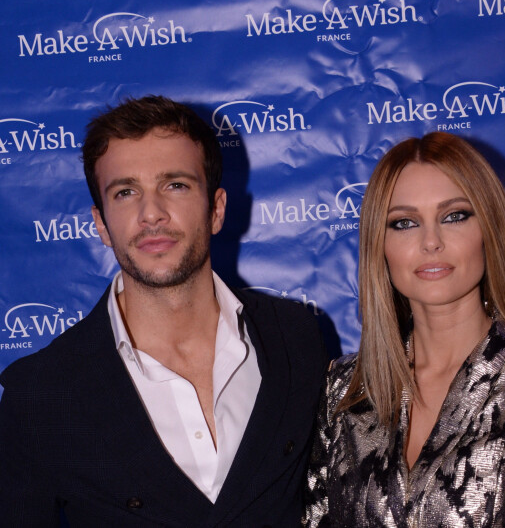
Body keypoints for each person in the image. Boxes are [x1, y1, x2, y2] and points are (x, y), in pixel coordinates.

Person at [0, 95, 327, 527]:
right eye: (125, 192)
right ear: (100, 224)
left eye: (175, 185)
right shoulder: (41, 393)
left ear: (216, 209)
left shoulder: (295, 338)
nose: (150, 213)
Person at [303, 132, 505, 527]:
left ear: (490, 228)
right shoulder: (344, 390)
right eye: (404, 223)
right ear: (379, 244)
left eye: (454, 216)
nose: (431, 241)